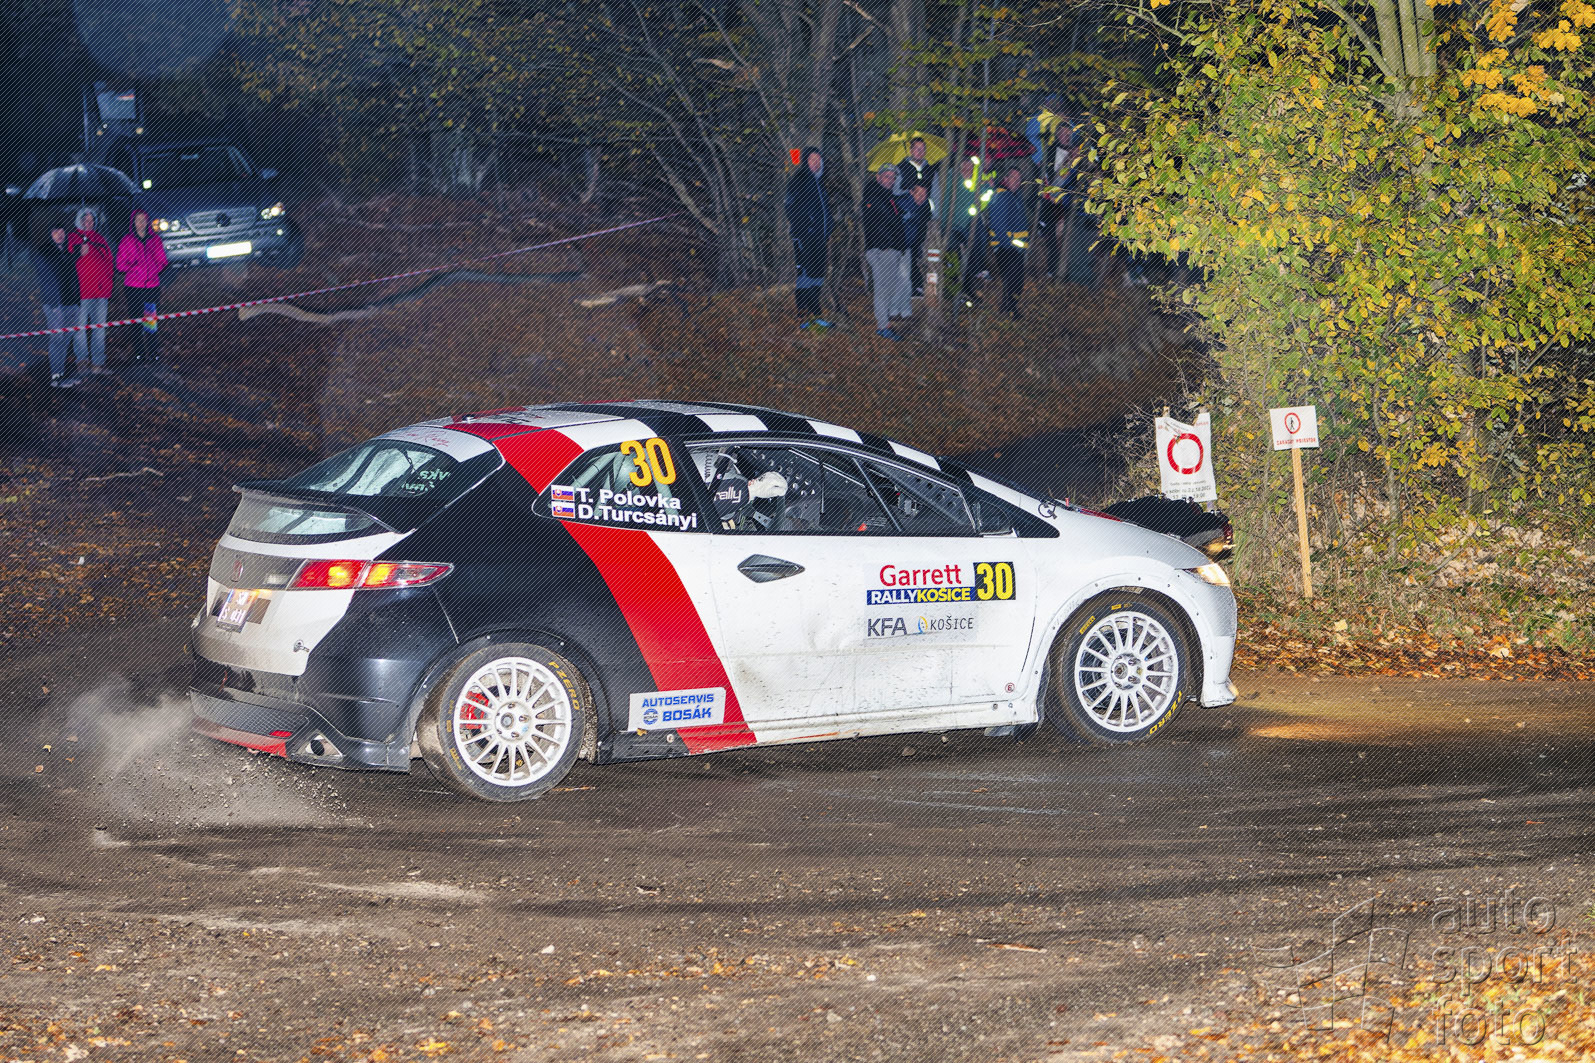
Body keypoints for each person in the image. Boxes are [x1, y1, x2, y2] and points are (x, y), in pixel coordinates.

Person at [784, 146, 832, 329]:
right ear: (805, 161)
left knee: (818, 274)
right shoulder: (799, 179)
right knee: (805, 273)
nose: (816, 162)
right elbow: (790, 206)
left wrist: (829, 227)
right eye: (812, 159)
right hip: (804, 236)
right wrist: (806, 225)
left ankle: (815, 313)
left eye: (819, 159)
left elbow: (824, 210)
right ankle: (802, 315)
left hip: (820, 238)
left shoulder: (819, 182)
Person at [861, 163, 911, 340]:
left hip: (890, 248)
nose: (891, 180)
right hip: (883, 249)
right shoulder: (874, 195)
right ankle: (883, 325)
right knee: (883, 288)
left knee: (887, 287)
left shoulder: (887, 197)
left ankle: (884, 322)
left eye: (893, 177)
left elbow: (892, 218)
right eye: (887, 176)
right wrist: (886, 245)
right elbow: (882, 221)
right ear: (878, 177)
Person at [29, 225, 81, 386]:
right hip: (55, 304)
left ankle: (61, 374)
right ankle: (55, 377)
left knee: (66, 339)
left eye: (62, 231)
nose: (59, 234)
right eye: (55, 231)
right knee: (57, 338)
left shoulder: (65, 251)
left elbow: (70, 273)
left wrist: (77, 301)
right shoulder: (44, 252)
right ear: (49, 234)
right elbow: (50, 276)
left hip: (71, 303)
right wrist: (53, 304)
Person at [116, 207, 167, 364]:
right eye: (138, 220)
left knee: (150, 321)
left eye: (143, 220)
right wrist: (135, 268)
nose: (141, 223)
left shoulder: (155, 240)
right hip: (133, 288)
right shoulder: (127, 240)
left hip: (151, 287)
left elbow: (163, 261)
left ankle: (153, 353)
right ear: (133, 222)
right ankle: (139, 353)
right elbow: (119, 265)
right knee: (136, 321)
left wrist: (153, 270)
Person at [69, 208, 114, 374]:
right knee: (80, 328)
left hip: (100, 292)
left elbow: (109, 262)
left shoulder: (100, 239)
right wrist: (78, 251)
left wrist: (108, 284)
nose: (88, 223)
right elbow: (65, 260)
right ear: (79, 221)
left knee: (99, 328)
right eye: (85, 220)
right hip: (81, 293)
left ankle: (98, 363)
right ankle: (82, 361)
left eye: (91, 220)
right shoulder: (72, 238)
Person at [895, 137, 940, 295]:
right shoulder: (901, 168)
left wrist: (935, 214)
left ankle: (927, 286)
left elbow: (935, 194)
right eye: (917, 148)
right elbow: (895, 191)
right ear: (911, 150)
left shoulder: (930, 170)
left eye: (922, 149)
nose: (920, 152)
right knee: (908, 250)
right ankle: (910, 285)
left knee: (924, 251)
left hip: (924, 217)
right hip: (906, 216)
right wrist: (910, 193)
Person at [947, 156, 990, 305]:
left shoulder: (973, 182)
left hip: (967, 224)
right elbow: (965, 198)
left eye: (970, 167)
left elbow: (979, 204)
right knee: (957, 260)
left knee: (972, 253)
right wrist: (983, 188)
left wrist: (987, 189)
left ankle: (968, 289)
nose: (967, 170)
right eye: (964, 166)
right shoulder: (952, 179)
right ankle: (957, 294)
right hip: (954, 225)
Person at [987, 167, 1028, 320]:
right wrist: (1008, 243)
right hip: (1007, 248)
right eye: (1013, 178)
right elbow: (997, 224)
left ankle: (1007, 309)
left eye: (1019, 179)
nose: (1016, 182)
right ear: (1006, 179)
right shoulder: (1002, 196)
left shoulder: (1014, 196)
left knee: (1014, 280)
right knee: (1013, 280)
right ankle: (1011, 310)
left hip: (1014, 248)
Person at [896, 184, 933, 299]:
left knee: (917, 263)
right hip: (900, 243)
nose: (922, 197)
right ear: (911, 192)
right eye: (919, 194)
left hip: (914, 243)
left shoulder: (925, 206)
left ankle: (918, 288)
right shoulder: (902, 203)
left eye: (924, 195)